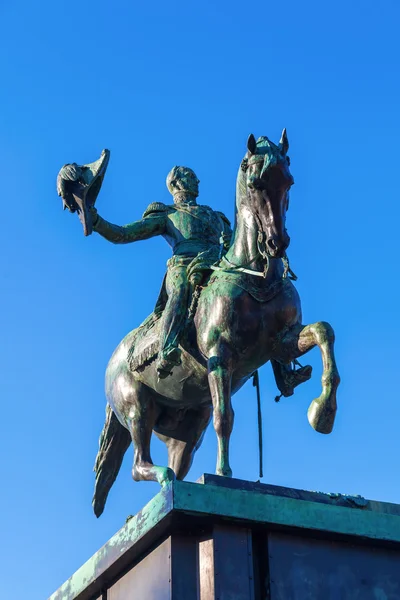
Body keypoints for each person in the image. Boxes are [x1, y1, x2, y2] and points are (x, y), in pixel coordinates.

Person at [90, 166, 232, 378]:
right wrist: (97, 222)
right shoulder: (167, 214)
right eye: (192, 177)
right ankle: (167, 348)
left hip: (215, 265)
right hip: (183, 265)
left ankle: (282, 366)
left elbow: (235, 244)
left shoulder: (216, 217)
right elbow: (124, 234)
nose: (198, 181)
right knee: (182, 287)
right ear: (176, 184)